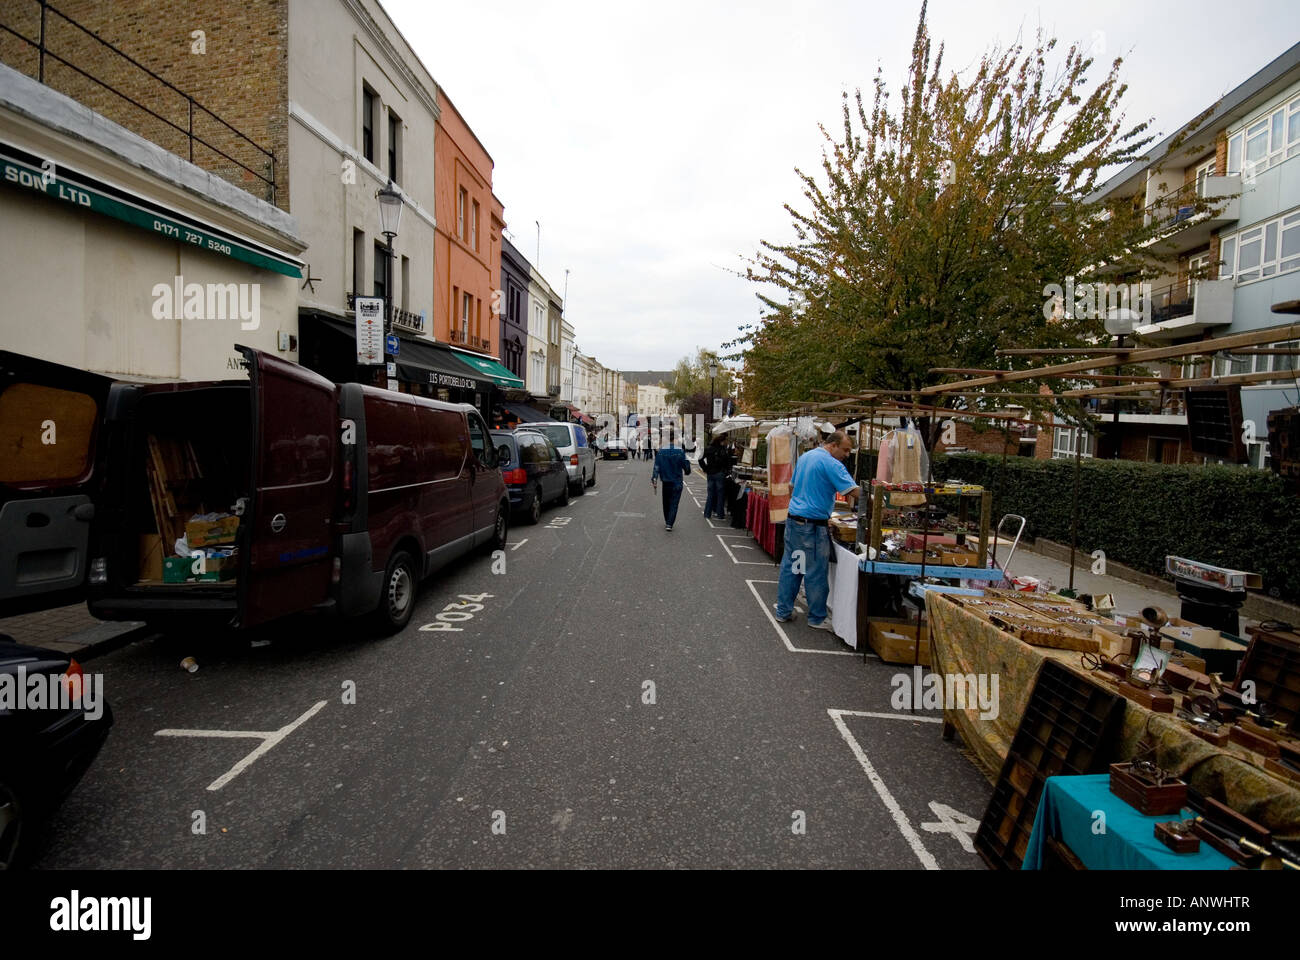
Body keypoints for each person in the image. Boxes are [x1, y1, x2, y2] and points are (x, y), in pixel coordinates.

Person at [773, 430, 860, 631]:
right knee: (815, 572)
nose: (847, 455)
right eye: (845, 450)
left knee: (793, 567)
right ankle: (817, 617)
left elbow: (792, 488)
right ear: (833, 445)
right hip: (812, 525)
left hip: (795, 520)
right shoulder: (831, 463)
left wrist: (804, 503)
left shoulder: (806, 457)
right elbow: (854, 491)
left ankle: (783, 611)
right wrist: (880, 497)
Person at [651, 428, 691, 530]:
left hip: (666, 482)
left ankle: (667, 520)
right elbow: (687, 468)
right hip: (677, 481)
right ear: (676, 439)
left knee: (666, 502)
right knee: (674, 503)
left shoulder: (661, 452)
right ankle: (669, 523)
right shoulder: (680, 452)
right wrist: (687, 470)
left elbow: (656, 467)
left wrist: (654, 479)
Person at [698, 435, 733, 521]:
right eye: (725, 441)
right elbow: (727, 462)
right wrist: (727, 471)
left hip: (710, 473)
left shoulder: (708, 448)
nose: (726, 442)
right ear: (722, 441)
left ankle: (707, 513)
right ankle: (720, 514)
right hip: (719, 473)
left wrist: (705, 468)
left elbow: (700, 459)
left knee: (710, 494)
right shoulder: (722, 450)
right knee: (720, 495)